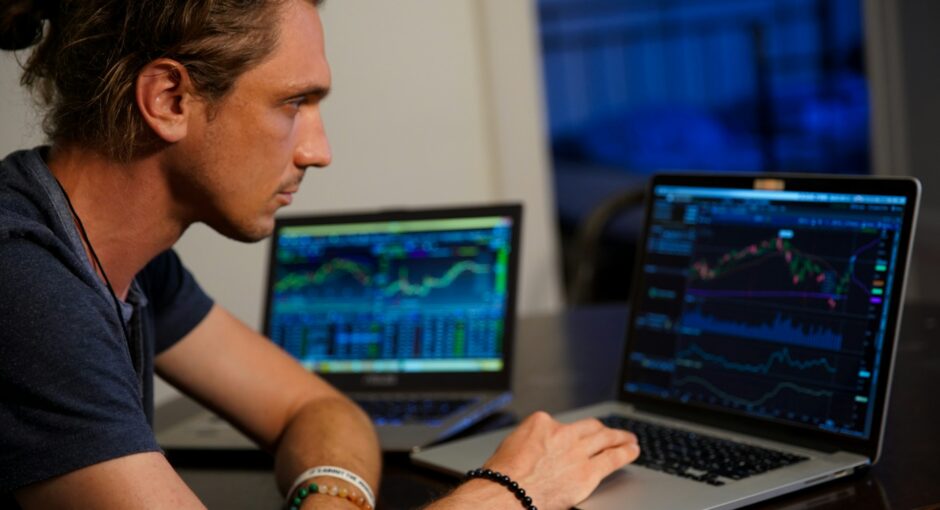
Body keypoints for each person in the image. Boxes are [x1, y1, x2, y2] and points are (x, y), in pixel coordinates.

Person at [0, 1, 640, 509]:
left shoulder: (132, 262)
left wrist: (329, 497)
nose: (318, 150)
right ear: (169, 99)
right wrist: (509, 494)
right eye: (294, 103)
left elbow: (317, 408)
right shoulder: (25, 282)